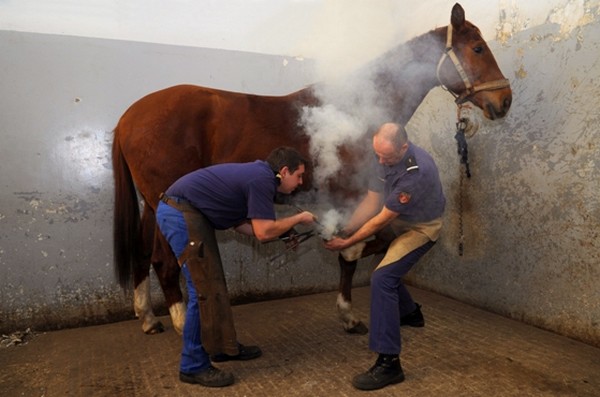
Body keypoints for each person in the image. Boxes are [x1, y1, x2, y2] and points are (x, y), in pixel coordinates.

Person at [156, 146, 315, 388]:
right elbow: (263, 232)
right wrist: (299, 218)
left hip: (190, 213)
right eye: (299, 176)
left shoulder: (259, 176)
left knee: (214, 283)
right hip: (180, 213)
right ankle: (192, 366)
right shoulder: (262, 180)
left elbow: (243, 226)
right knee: (203, 291)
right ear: (284, 171)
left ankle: (222, 347)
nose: (301, 182)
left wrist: (282, 233)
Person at [324, 122, 445, 391]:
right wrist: (348, 228)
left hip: (420, 227)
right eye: (377, 155)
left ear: (403, 147)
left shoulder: (417, 172)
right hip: (397, 222)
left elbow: (382, 219)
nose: (381, 161)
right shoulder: (382, 155)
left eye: (387, 157)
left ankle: (389, 363)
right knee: (388, 269)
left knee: (382, 278)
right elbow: (371, 202)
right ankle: (411, 313)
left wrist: (348, 241)